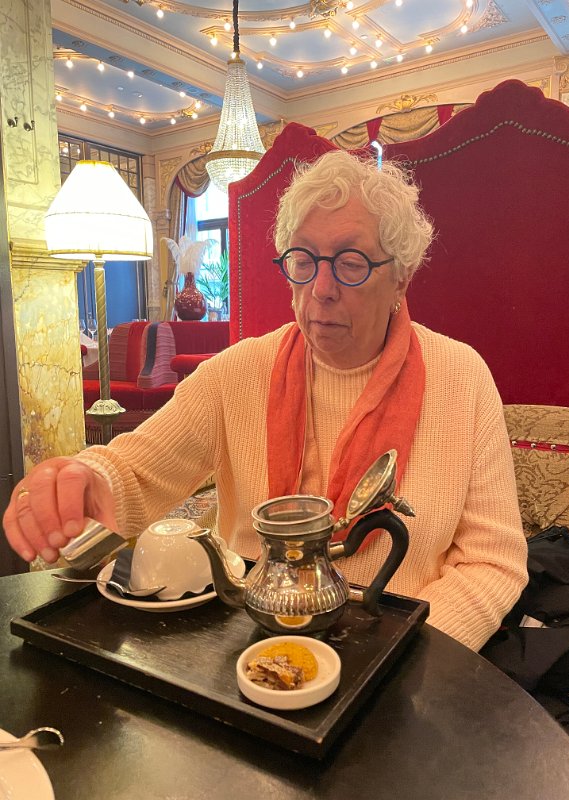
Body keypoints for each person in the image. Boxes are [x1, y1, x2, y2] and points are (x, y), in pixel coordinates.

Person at [3, 150, 527, 651]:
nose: (320, 288)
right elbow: (134, 472)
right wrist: (83, 480)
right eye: (304, 259)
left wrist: (402, 657)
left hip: (403, 646)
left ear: (400, 278)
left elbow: (493, 562)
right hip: (250, 638)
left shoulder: (461, 377)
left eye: (350, 263)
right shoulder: (237, 372)